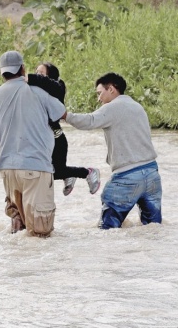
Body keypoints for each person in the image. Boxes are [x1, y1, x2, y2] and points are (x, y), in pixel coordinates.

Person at [62, 72, 162, 229]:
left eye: (100, 93)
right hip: (152, 174)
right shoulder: (138, 106)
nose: (99, 98)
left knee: (107, 230)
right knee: (153, 227)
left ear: (112, 89)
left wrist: (65, 116)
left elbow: (89, 121)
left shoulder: (112, 107)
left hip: (127, 176)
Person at [0, 50, 66, 237]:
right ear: (22, 68)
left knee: (18, 226)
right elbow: (61, 113)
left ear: (2, 72)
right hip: (35, 167)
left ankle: (18, 266)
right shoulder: (38, 92)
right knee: (40, 234)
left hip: (7, 169)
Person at [26, 62, 100, 196]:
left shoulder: (57, 88)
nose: (37, 76)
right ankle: (69, 175)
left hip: (57, 140)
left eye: (41, 73)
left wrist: (28, 77)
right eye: (36, 72)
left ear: (51, 76)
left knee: (50, 173)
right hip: (46, 139)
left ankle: (88, 172)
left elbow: (48, 83)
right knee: (42, 173)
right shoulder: (36, 91)